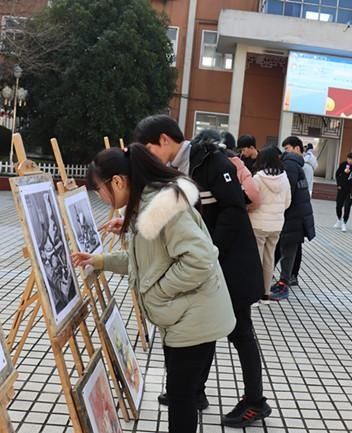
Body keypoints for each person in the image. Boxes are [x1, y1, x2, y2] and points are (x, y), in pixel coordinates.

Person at [72, 145, 236, 433]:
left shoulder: (160, 209)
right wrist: (100, 260)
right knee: (180, 395)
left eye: (99, 189)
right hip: (186, 315)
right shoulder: (144, 207)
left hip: (194, 318)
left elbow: (201, 259)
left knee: (181, 398)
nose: (99, 197)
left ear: (118, 182)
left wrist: (158, 293)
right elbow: (147, 262)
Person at [133, 116, 270, 427]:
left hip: (229, 263)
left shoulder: (212, 161)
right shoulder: (174, 170)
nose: (149, 156)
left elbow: (234, 210)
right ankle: (195, 391)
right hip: (209, 263)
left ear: (165, 140)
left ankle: (256, 401)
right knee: (203, 329)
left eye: (149, 148)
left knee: (241, 332)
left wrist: (212, 254)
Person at [271, 136, 316, 300]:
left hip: (291, 214)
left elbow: (287, 191)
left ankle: (283, 282)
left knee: (287, 249)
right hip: (297, 213)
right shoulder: (297, 164)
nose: (285, 151)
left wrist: (279, 208)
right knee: (286, 248)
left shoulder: (290, 164)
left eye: (288, 148)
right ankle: (283, 278)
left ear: (297, 148)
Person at [249, 146, 291, 301]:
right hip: (276, 225)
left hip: (258, 223)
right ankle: (265, 292)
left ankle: (254, 293)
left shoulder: (258, 178)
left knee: (257, 259)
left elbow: (253, 201)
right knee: (269, 257)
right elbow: (288, 202)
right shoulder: (284, 178)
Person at [221, 132, 261, 208]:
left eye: (243, 150)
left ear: (252, 147)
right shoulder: (239, 159)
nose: (242, 152)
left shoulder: (262, 160)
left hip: (255, 196)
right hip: (242, 195)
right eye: (240, 150)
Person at [333, 152, 352, 231]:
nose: (350, 161)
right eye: (349, 159)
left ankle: (344, 222)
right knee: (338, 205)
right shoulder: (343, 164)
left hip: (350, 190)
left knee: (347, 206)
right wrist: (338, 184)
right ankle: (339, 219)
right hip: (341, 188)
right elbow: (337, 175)